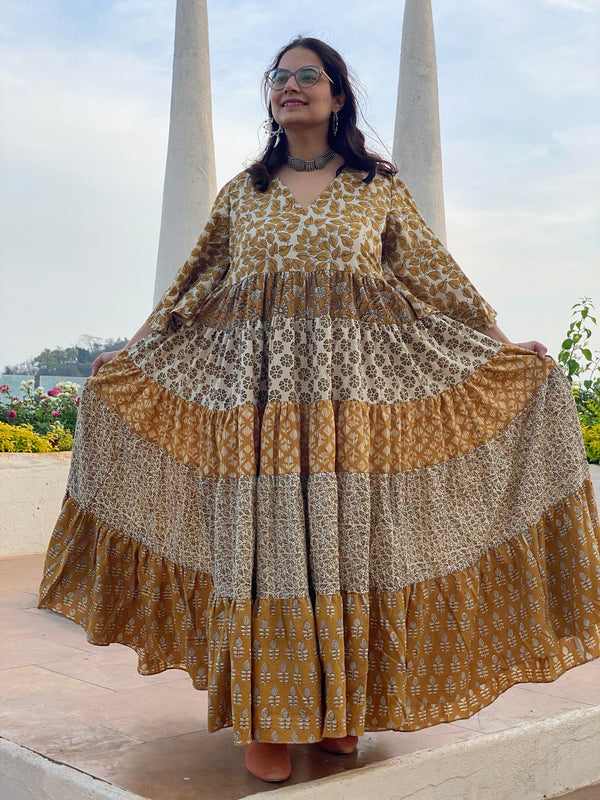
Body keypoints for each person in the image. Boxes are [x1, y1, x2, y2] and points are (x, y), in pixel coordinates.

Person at [39, 36, 600, 784]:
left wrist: (502, 344)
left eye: (309, 77)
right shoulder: (243, 193)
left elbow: (438, 279)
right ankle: (267, 718)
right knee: (267, 550)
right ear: (271, 97)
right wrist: (133, 353)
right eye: (280, 77)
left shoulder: (377, 190)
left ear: (338, 97)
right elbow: (190, 286)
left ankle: (341, 710)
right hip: (260, 409)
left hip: (349, 405)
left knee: (344, 547)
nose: (291, 86)